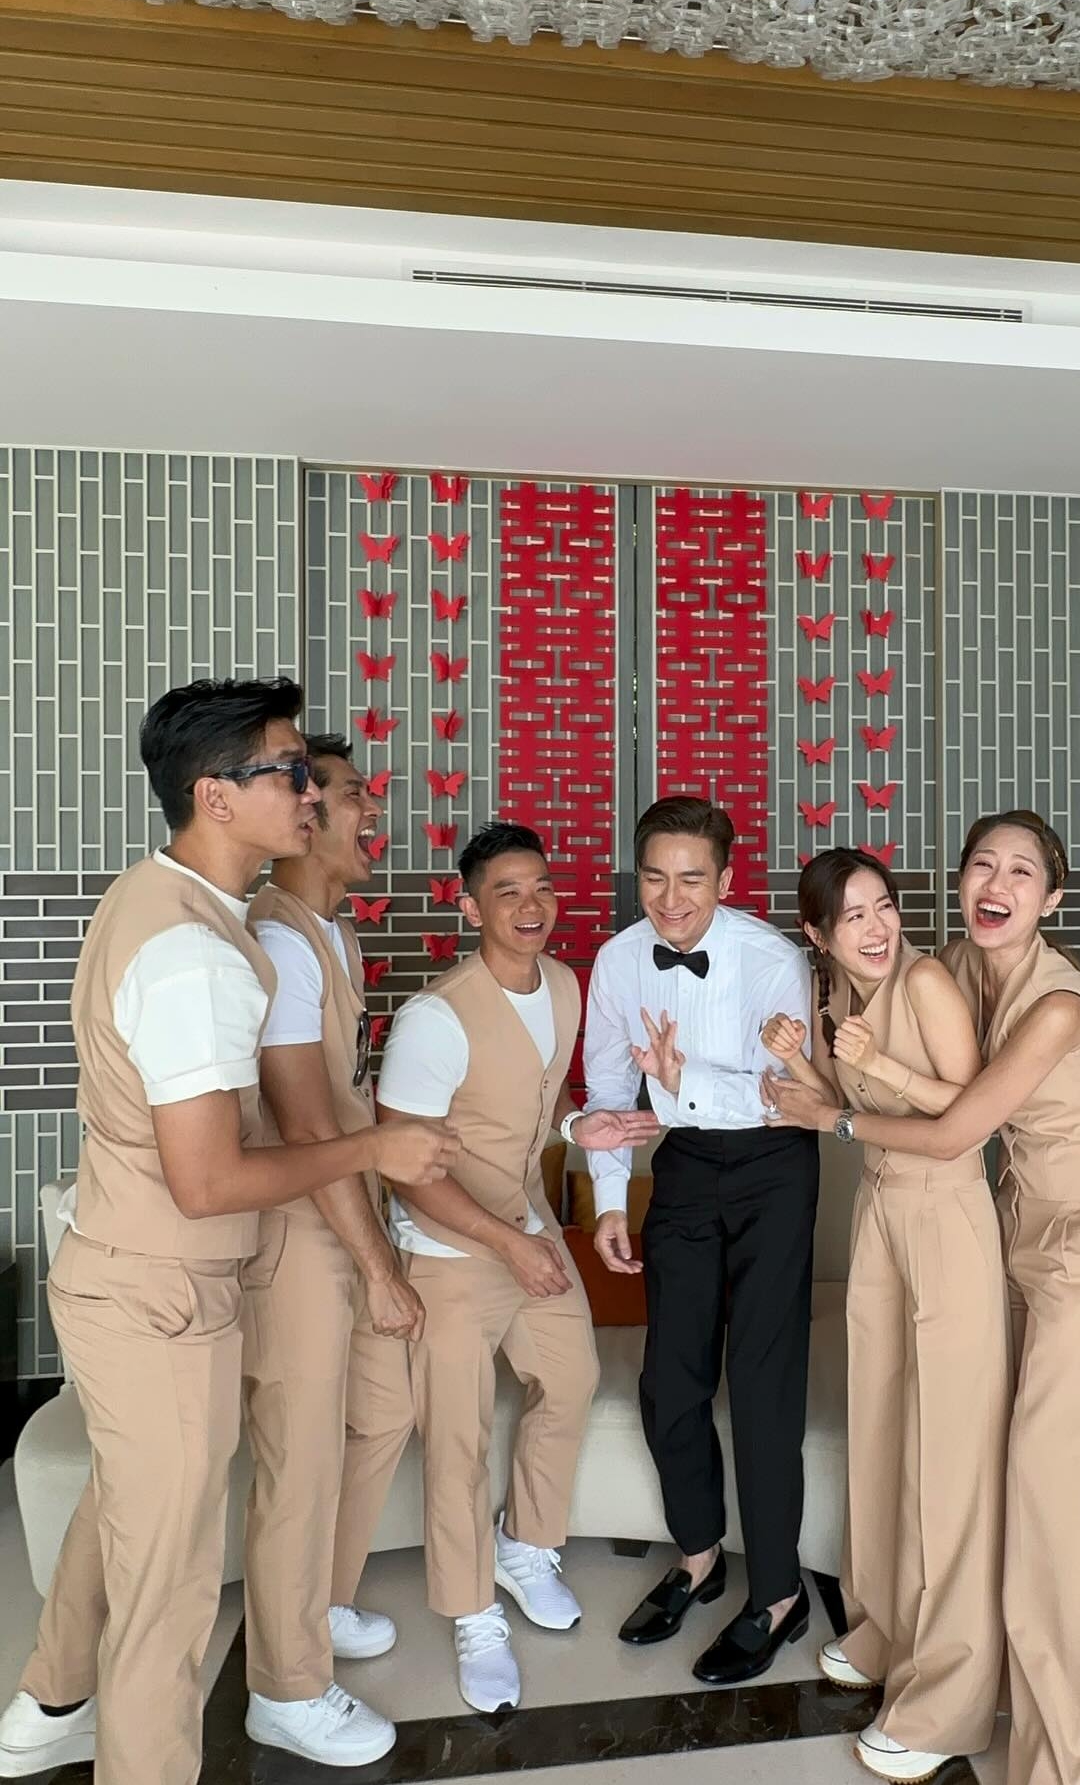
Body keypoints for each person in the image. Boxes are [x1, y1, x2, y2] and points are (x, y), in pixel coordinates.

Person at [0, 679, 456, 1785]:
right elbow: (207, 1180)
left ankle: (52, 1701)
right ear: (215, 794)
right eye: (291, 772)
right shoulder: (197, 950)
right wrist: (373, 1149)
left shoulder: (161, 900)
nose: (314, 793)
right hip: (163, 1285)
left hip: (136, 1269)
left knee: (132, 1510)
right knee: (169, 1590)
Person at [763, 809, 1080, 1785]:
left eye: (1022, 871)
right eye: (983, 864)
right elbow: (885, 1032)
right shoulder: (961, 966)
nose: (997, 883)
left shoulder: (1057, 1007)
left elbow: (955, 1126)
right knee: (947, 1449)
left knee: (1052, 1493)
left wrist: (836, 1111)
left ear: (1053, 897)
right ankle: (928, 1649)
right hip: (1008, 1223)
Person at [374, 822, 657, 1715]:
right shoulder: (434, 1019)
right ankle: (471, 1612)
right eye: (507, 891)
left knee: (570, 1379)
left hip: (525, 1224)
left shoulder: (566, 984)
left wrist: (579, 1127)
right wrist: (510, 1243)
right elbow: (403, 1169)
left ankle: (527, 1545)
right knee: (456, 1438)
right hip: (451, 1251)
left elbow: (545, 1095)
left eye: (542, 887)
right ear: (471, 908)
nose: (531, 906)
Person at [760, 849, 1009, 1784]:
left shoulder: (928, 982)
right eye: (853, 916)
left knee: (948, 1454)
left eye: (884, 907)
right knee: (879, 1430)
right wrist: (799, 1057)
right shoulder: (835, 997)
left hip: (945, 1215)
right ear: (818, 935)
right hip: (879, 1214)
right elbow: (836, 1107)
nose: (876, 928)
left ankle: (949, 1696)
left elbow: (973, 1113)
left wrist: (882, 1065)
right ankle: (884, 1628)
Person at [584, 795, 820, 1685]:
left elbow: (780, 1095)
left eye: (692, 878)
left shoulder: (772, 959)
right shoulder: (619, 959)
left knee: (762, 1382)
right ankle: (698, 1555)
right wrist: (612, 1199)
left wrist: (680, 1082)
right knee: (669, 1378)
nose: (671, 898)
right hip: (681, 1164)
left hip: (774, 1166)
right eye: (654, 877)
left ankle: (779, 1594)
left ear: (726, 878)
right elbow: (610, 1088)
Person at [239, 734, 422, 1765]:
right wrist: (382, 1266)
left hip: (347, 1216)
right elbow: (308, 1124)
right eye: (352, 795)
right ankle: (286, 1686)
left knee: (382, 1409)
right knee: (299, 1463)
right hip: (301, 1238)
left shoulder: (334, 936)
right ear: (303, 814)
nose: (369, 812)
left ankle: (318, 1600)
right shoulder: (282, 939)